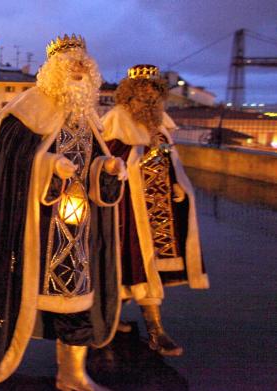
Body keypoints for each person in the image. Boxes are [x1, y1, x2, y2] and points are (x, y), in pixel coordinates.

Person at [0, 34, 127, 391]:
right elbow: (9, 162)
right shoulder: (28, 109)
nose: (78, 70)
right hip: (34, 228)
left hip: (78, 232)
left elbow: (90, 164)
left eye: (83, 65)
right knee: (19, 294)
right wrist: (48, 165)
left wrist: (106, 168)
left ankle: (72, 374)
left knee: (76, 298)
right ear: (54, 71)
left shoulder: (87, 115)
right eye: (71, 64)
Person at [101, 64, 209, 356]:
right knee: (131, 263)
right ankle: (147, 330)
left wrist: (177, 184)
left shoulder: (160, 123)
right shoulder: (115, 120)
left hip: (158, 208)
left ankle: (124, 322)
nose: (148, 95)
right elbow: (107, 161)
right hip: (128, 207)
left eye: (154, 90)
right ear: (130, 92)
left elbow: (169, 159)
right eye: (142, 89)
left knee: (143, 265)